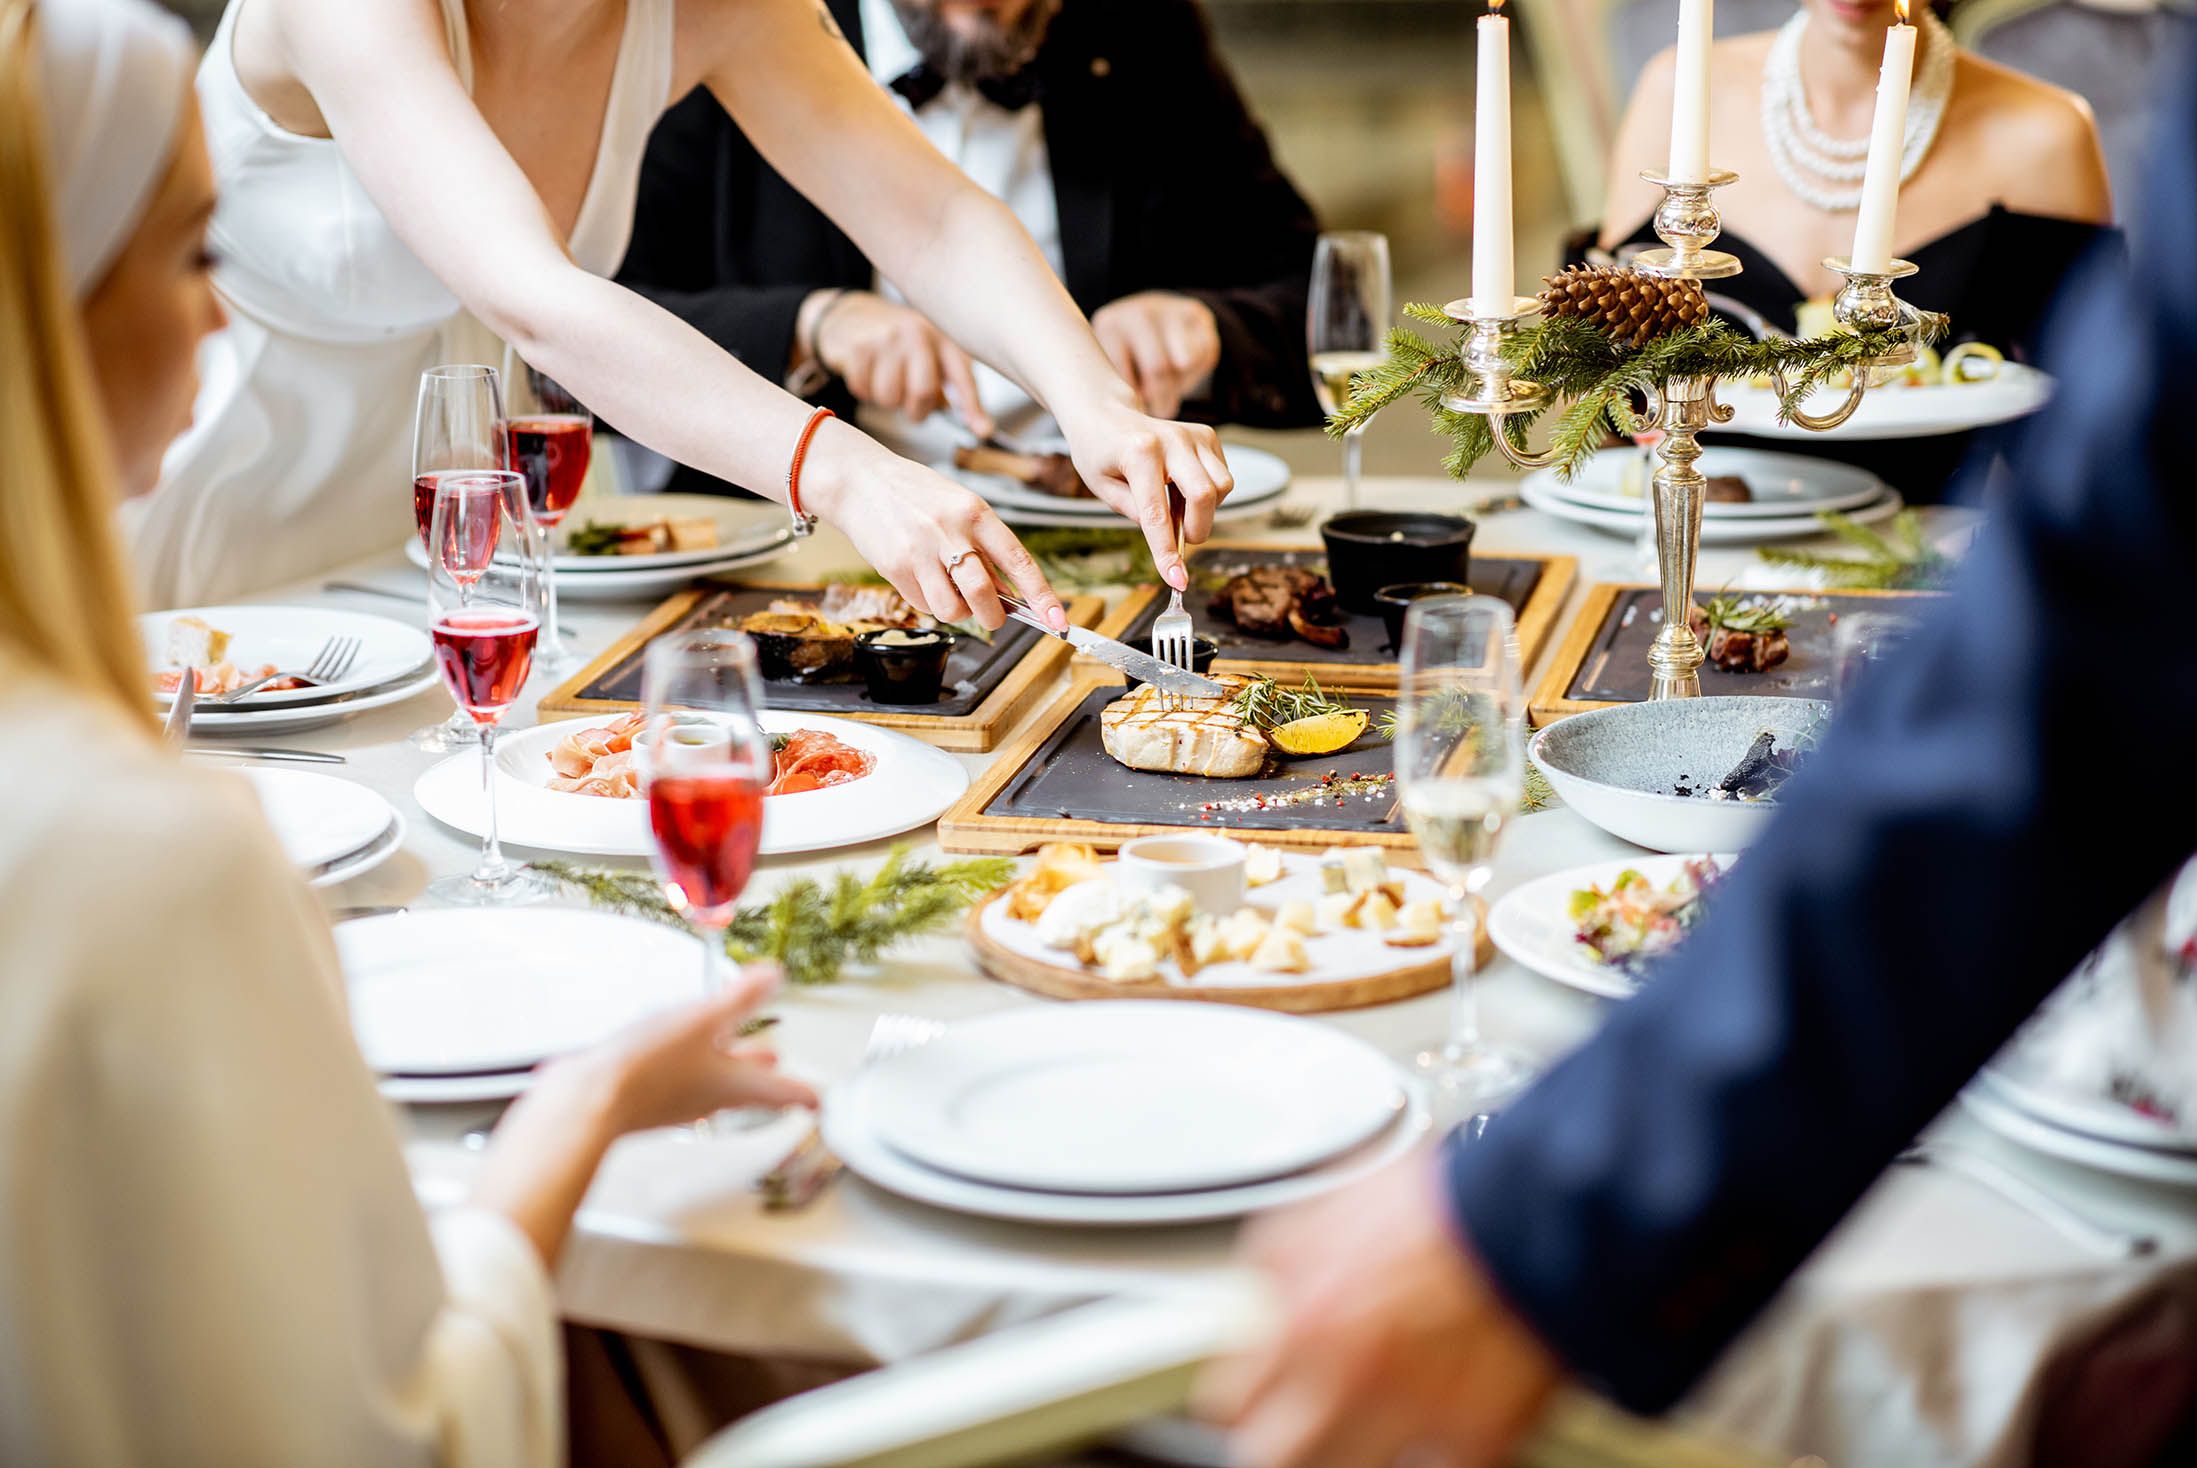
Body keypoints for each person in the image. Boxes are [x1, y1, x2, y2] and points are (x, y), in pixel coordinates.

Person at [1205, 43, 2197, 1468]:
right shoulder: (1687, 90)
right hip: (1712, 632)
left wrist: (1554, 1219)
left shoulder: (2044, 133)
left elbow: (2102, 591)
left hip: (1901, 658)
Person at [0, 4, 816, 1461]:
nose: (218, 306)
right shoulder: (162, 860)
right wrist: (585, 1114)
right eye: (195, 252)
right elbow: (397, 1432)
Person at [125, 0, 1231, 623]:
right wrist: (850, 474)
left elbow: (932, 216)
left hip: (463, 528)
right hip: (208, 479)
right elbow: (536, 300)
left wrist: (1097, 404)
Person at [614, 0, 1322, 498]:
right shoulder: (737, 26)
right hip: (808, 540)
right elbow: (599, 320)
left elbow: (1326, 302)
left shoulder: (1140, 31)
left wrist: (1202, 329)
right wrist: (811, 325)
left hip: (1101, 529)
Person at [1595, 0, 2117, 499]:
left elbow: (2093, 415)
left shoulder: (2046, 135)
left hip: (1928, 556)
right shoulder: (1679, 91)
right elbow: (1602, 373)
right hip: (1691, 530)